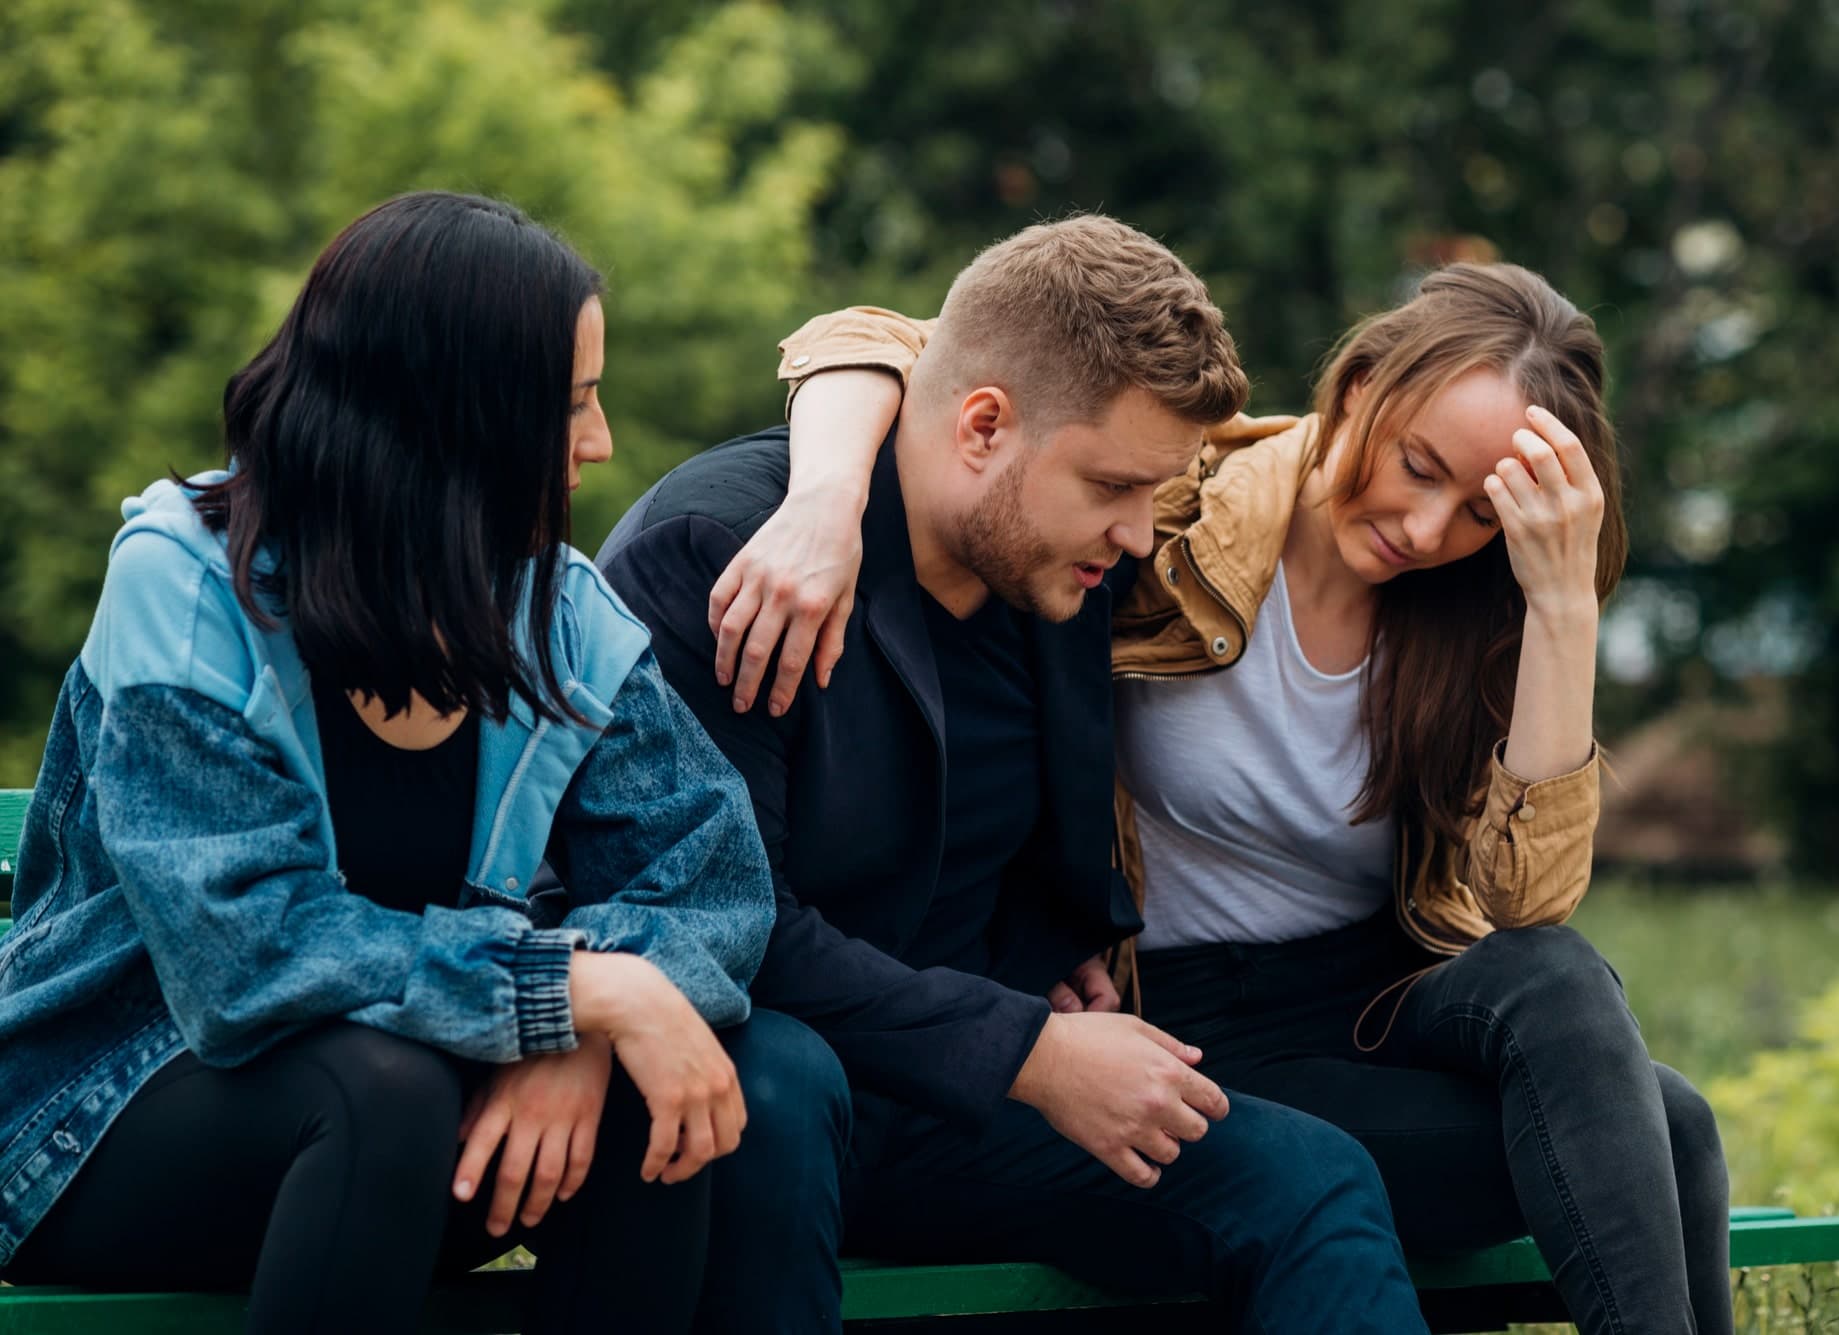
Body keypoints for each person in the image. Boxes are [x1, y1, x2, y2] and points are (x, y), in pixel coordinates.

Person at [711, 261, 1734, 1334]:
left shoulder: (1477, 606)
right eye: (1417, 467)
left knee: (1617, 1048)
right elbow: (882, 340)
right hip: (1179, 1016)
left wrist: (1561, 604)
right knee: (1664, 1134)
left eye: (1480, 512)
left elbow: (1527, 907)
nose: (1428, 530)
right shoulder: (1164, 493)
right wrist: (824, 497)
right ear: (1359, 387)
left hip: (1375, 1005)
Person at [0, 191, 847, 1335]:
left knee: (679, 1085)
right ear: (449, 419)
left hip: (400, 1126)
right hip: (95, 1124)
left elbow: (711, 882)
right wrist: (571, 991)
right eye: (571, 407)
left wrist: (581, 1038)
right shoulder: (186, 589)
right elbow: (249, 961)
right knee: (377, 1096)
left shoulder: (555, 613)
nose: (598, 444)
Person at [598, 214, 1429, 1333]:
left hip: (958, 1104)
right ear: (982, 426)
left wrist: (1048, 962)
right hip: (755, 1105)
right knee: (778, 1079)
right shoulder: (731, 556)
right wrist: (1028, 1052)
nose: (1140, 536)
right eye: (1115, 487)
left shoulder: (1049, 560)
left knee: (1309, 1182)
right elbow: (721, 930)